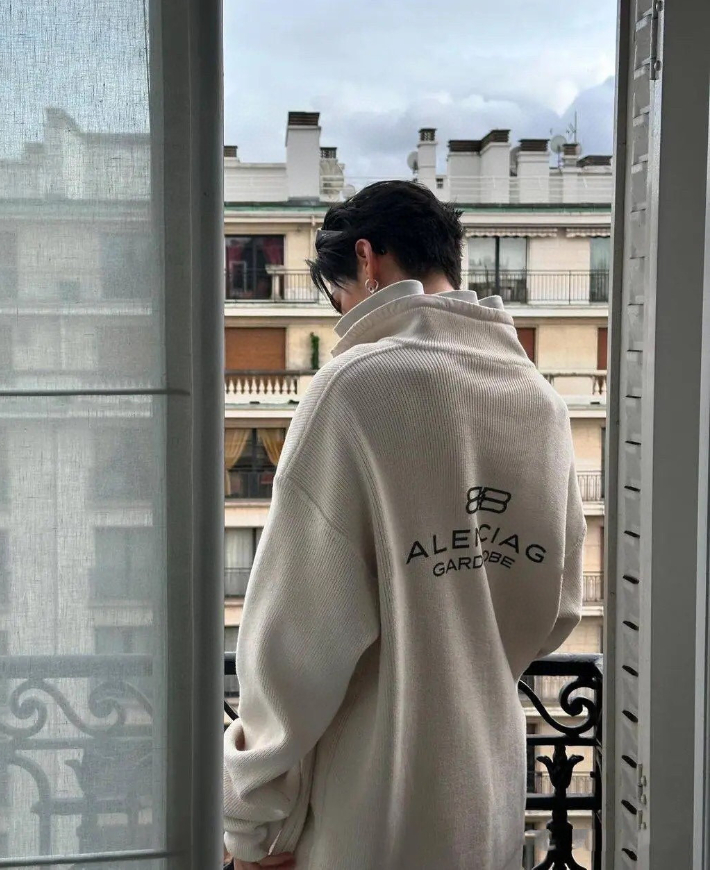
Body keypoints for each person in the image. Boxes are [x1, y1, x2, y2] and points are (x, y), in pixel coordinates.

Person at [223, 180, 585, 870]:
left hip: (369, 809)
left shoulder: (354, 389)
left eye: (338, 300)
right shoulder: (540, 403)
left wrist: (251, 825)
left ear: (366, 259)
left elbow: (293, 647)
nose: (343, 319)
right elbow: (559, 609)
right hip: (487, 799)